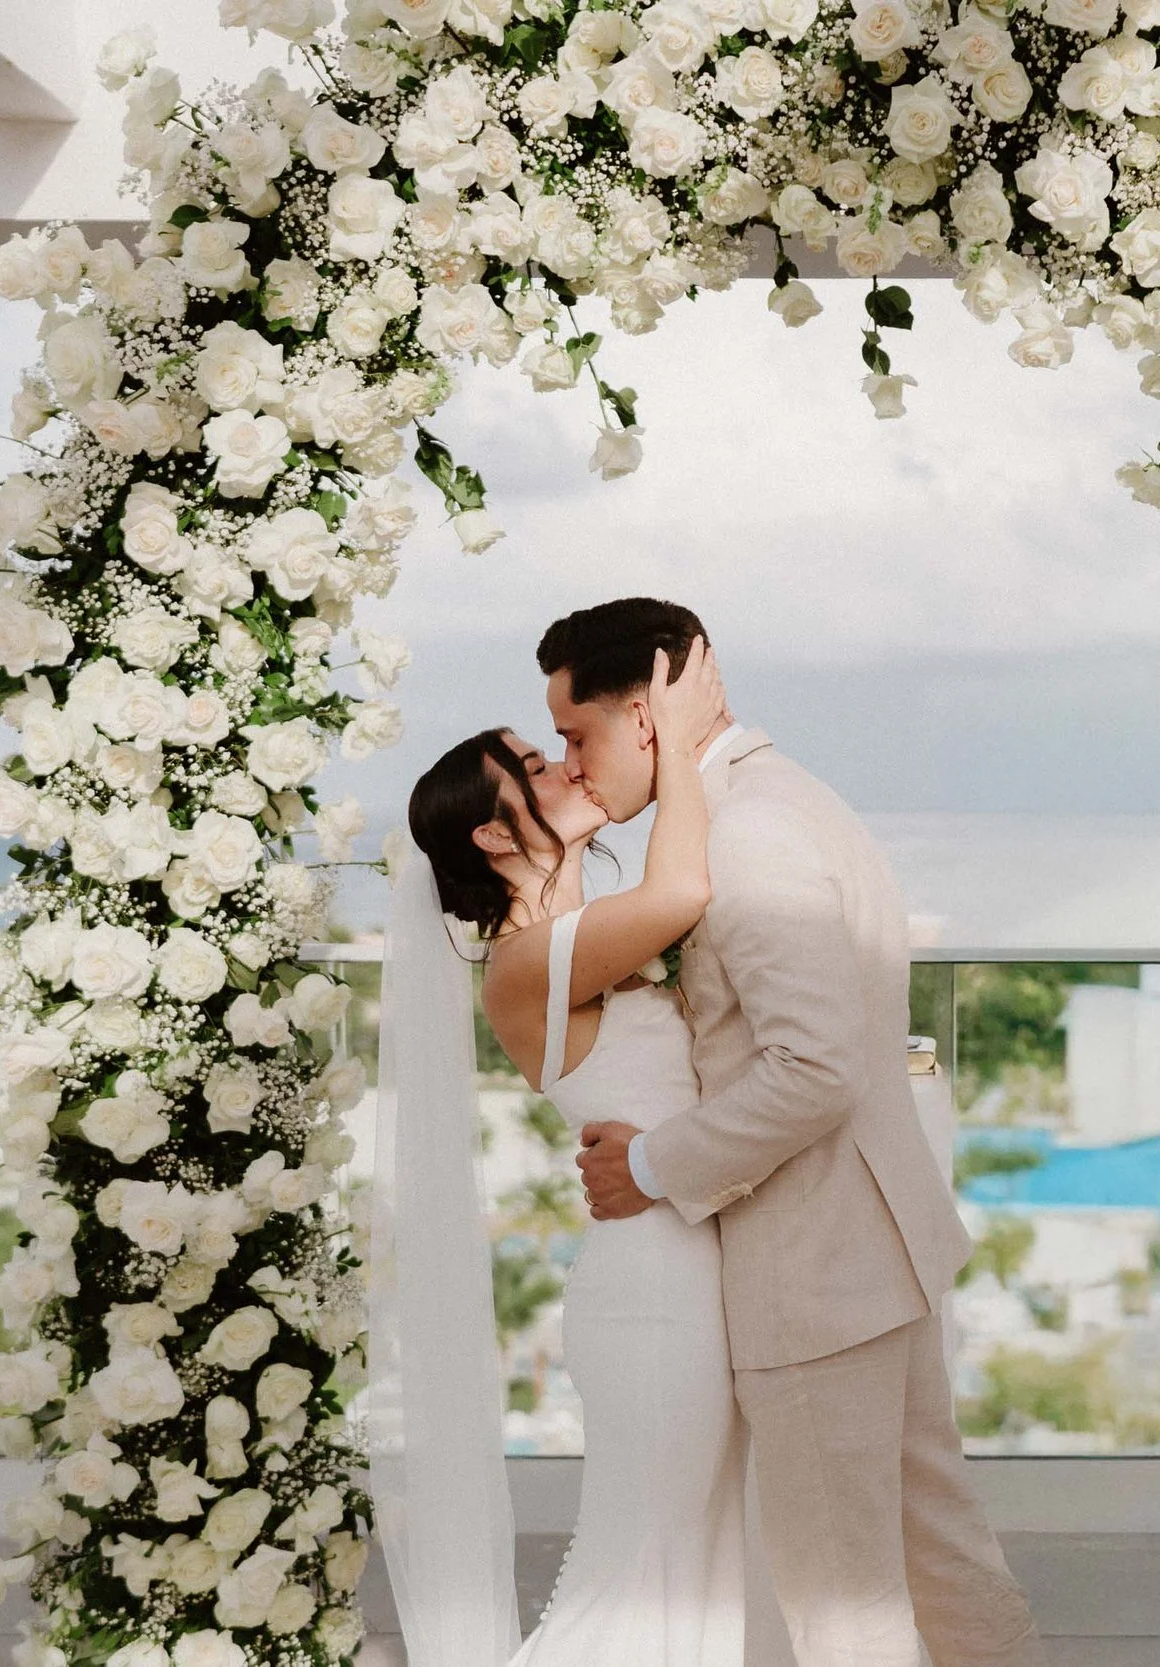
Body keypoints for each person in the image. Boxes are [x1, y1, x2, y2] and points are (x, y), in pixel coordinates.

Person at [552, 599, 1036, 1667]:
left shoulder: (749, 831)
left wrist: (646, 1162)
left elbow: (810, 1067)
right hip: (870, 1249)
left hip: (815, 1264)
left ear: (643, 713)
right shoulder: (782, 795)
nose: (572, 764)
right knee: (937, 1551)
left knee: (843, 1601)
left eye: (576, 735)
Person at [377, 638, 748, 1667]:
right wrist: (672, 740)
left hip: (680, 1267)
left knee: (684, 1568)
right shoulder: (528, 957)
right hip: (653, 1298)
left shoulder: (575, 925)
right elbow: (681, 894)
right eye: (536, 768)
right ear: (498, 833)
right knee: (643, 1569)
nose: (567, 763)